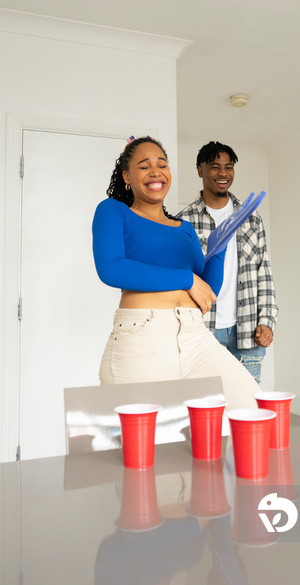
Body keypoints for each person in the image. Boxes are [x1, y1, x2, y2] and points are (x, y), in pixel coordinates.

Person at [92, 136, 260, 410]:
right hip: (142, 339)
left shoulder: (184, 229)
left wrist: (219, 245)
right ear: (126, 176)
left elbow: (206, 293)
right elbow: (111, 268)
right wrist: (186, 279)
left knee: (252, 410)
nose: (156, 171)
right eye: (144, 166)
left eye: (162, 164)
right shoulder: (114, 211)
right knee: (146, 446)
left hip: (196, 336)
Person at [177, 141, 278, 384]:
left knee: (245, 409)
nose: (223, 173)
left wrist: (267, 321)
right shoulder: (183, 222)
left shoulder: (251, 217)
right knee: (207, 409)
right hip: (202, 333)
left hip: (247, 333)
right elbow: (180, 281)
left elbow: (263, 271)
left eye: (229, 167)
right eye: (215, 167)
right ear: (200, 170)